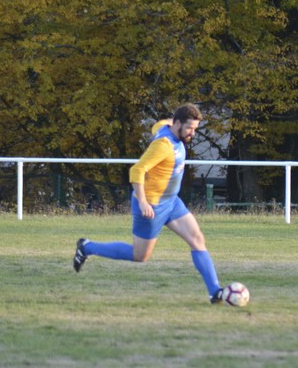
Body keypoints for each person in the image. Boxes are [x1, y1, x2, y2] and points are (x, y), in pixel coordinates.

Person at [73, 103, 224, 303]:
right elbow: (137, 170)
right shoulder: (163, 145)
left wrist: (171, 121)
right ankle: (87, 247)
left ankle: (215, 292)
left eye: (195, 129)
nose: (192, 133)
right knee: (140, 255)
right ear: (178, 123)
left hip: (172, 202)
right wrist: (143, 202)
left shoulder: (166, 127)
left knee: (197, 240)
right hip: (152, 206)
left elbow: (158, 124)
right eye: (190, 128)